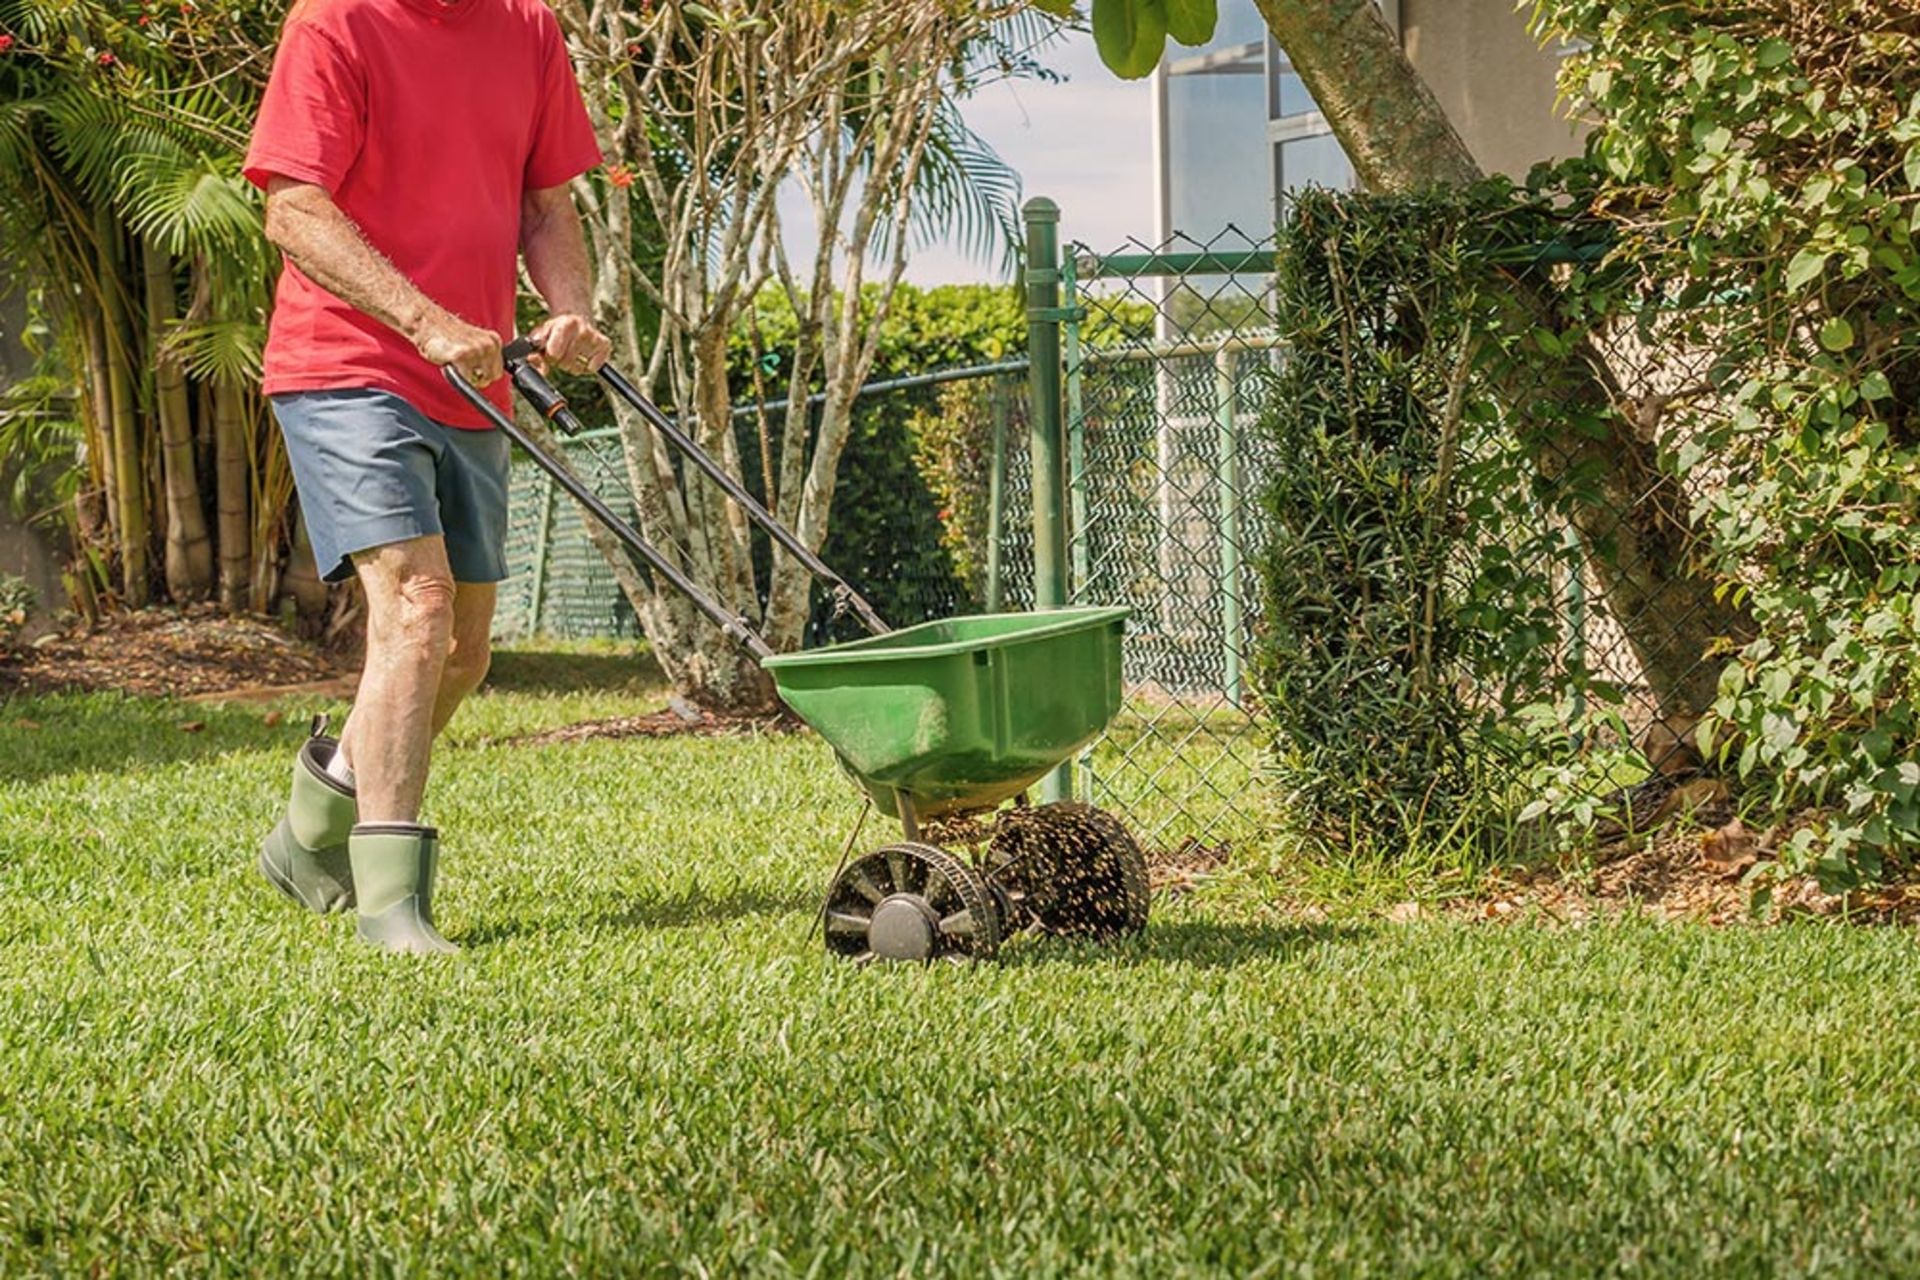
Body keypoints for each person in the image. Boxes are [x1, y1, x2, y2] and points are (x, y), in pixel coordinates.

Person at [244, 0, 612, 953]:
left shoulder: (528, 28)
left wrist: (570, 308)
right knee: (419, 605)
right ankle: (390, 904)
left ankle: (313, 823)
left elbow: (545, 205)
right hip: (348, 368)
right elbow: (292, 207)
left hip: (474, 378)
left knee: (462, 652)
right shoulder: (335, 23)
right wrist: (424, 320)